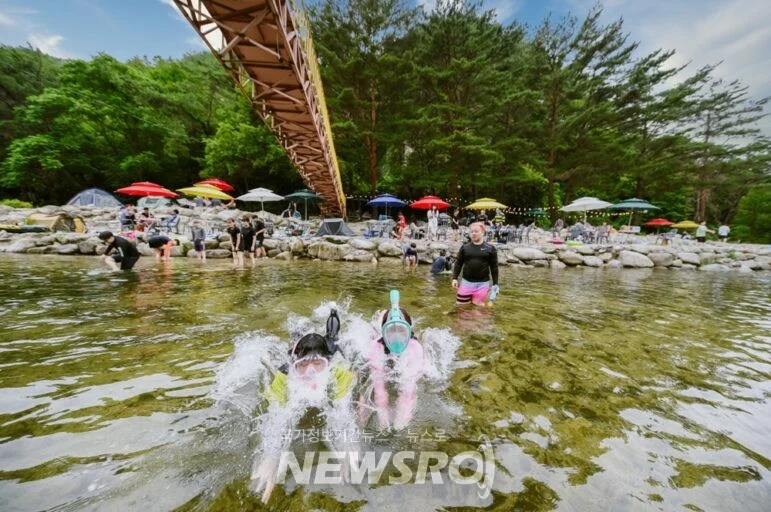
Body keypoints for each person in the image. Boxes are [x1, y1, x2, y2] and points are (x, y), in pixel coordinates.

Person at [251, 309, 356, 503]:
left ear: (328, 364)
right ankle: (298, 337)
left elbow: (344, 417)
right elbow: (275, 421)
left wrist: (347, 452)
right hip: (294, 355)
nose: (310, 372)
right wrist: (270, 459)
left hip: (329, 348)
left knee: (332, 340)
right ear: (294, 364)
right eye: (303, 365)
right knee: (296, 345)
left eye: (318, 364)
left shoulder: (337, 374)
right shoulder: (284, 379)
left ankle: (333, 318)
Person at [360, 290, 424, 430]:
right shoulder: (375, 347)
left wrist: (402, 418)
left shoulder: (415, 348)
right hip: (381, 352)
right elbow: (379, 385)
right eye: (391, 331)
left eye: (401, 331)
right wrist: (382, 413)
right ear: (383, 332)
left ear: (409, 332)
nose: (396, 337)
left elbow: (409, 387)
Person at [452, 222, 499, 306]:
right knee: (460, 307)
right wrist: (454, 278)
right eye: (472, 231)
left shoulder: (490, 248)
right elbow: (458, 263)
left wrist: (495, 284)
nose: (473, 233)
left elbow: (494, 267)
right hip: (466, 283)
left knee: (478, 310)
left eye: (476, 231)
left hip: (483, 284)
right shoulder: (465, 247)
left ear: (482, 232)